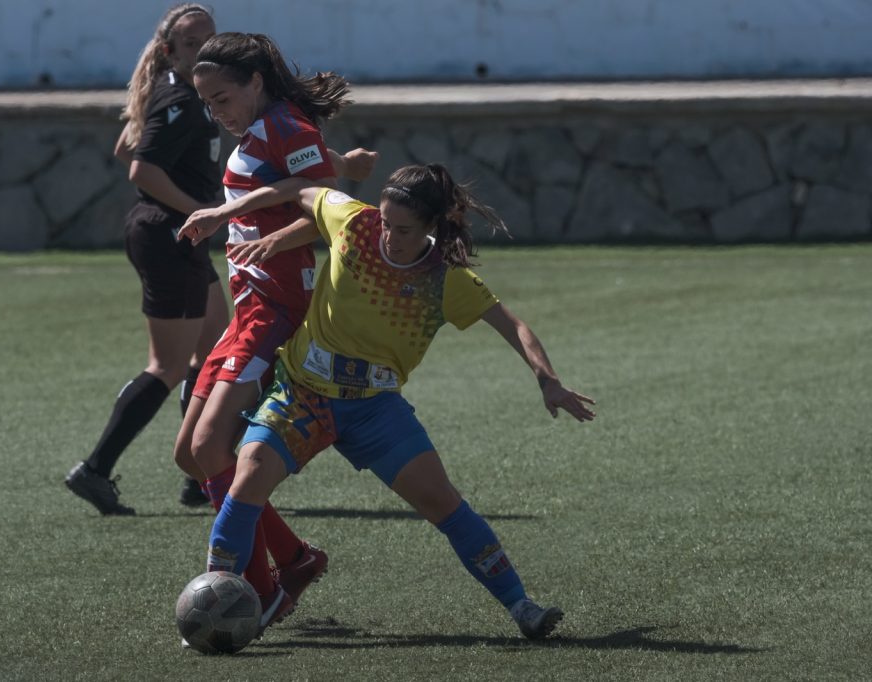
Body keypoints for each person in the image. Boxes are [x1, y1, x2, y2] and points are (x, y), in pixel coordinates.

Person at [181, 163, 596, 640]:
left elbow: (513, 325)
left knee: (443, 502)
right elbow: (301, 189)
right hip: (303, 395)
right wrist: (224, 214)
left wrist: (548, 380)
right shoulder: (351, 220)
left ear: (431, 227)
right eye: (385, 222)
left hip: (373, 409)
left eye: (404, 230)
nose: (389, 237)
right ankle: (215, 600)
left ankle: (522, 606)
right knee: (248, 475)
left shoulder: (446, 279)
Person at [170, 32, 373, 632]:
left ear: (255, 82)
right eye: (208, 103)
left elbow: (324, 205)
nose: (217, 113)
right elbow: (308, 172)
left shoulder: (285, 124)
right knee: (189, 455)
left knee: (210, 449)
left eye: (223, 98)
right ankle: (295, 557)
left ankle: (260, 591)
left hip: (278, 310)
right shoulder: (269, 127)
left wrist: (235, 217)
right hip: (248, 311)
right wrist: (344, 162)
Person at [65, 4, 227, 516]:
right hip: (169, 237)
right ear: (170, 51)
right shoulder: (179, 99)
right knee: (168, 365)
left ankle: (199, 476)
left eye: (211, 40)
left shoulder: (185, 94)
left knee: (217, 349)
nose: (205, 50)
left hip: (180, 235)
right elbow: (140, 170)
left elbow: (124, 147)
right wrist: (201, 209)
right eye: (193, 43)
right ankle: (95, 470)